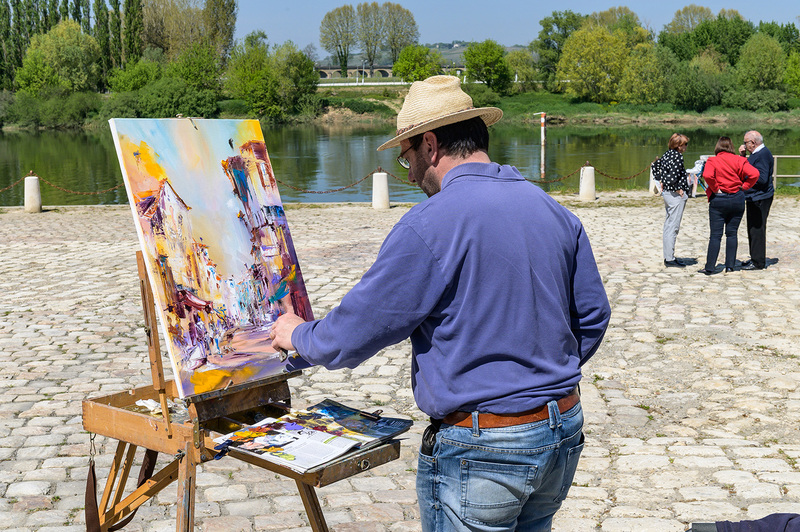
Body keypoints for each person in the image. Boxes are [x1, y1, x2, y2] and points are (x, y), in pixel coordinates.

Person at [270, 75, 612, 531]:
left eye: (407, 157)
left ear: (430, 145)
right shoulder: (551, 209)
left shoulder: (430, 224)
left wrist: (297, 334)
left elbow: (355, 332)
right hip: (561, 429)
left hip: (485, 444)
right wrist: (541, 372)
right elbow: (592, 316)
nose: (409, 174)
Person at [698, 137, 759, 275]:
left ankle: (710, 267)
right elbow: (755, 174)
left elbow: (707, 175)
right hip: (737, 198)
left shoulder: (713, 160)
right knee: (732, 234)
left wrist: (715, 188)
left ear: (717, 147)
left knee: (715, 235)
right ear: (731, 147)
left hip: (719, 199)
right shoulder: (740, 160)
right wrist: (745, 186)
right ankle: (730, 266)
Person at [652, 133, 691, 268]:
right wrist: (676, 188)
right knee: (673, 226)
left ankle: (668, 255)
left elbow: (655, 167)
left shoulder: (667, 154)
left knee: (668, 225)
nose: (686, 147)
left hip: (667, 194)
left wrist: (660, 181)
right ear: (679, 146)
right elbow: (673, 176)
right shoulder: (678, 156)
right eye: (685, 144)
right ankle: (669, 258)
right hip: (674, 196)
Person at [738, 131, 774, 270]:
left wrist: (745, 180)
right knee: (752, 228)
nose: (744, 145)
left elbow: (762, 178)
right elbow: (749, 166)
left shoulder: (763, 155)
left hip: (761, 197)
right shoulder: (756, 154)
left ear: (753, 142)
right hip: (754, 196)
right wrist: (743, 156)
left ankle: (758, 262)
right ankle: (754, 257)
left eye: (746, 142)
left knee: (757, 229)